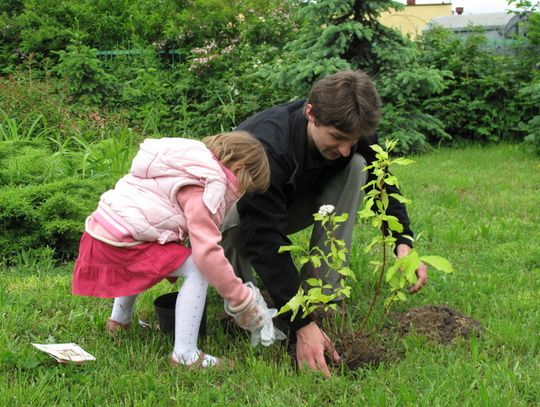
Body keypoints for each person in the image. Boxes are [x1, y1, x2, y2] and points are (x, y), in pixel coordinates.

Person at [220, 70, 428, 377]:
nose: (345, 148)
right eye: (338, 139)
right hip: (235, 210)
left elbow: (383, 183)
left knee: (358, 166)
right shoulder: (267, 146)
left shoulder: (353, 128)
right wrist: (302, 325)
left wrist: (403, 242)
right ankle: (246, 306)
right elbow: (265, 241)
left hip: (295, 200)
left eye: (352, 140)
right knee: (236, 222)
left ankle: (326, 298)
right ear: (310, 113)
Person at [72, 131, 284, 369]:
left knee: (156, 245)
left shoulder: (184, 163)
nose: (242, 194)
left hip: (102, 232)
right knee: (198, 267)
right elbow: (208, 253)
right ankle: (185, 355)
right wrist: (241, 299)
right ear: (239, 169)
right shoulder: (208, 186)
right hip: (121, 244)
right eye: (246, 187)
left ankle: (119, 323)